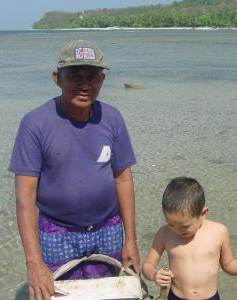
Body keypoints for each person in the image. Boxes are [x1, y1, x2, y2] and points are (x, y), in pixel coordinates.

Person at [9, 39, 139, 300]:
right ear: (57, 78)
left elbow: (123, 180)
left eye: (92, 77)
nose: (84, 84)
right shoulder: (35, 123)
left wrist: (131, 240)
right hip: (57, 233)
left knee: (107, 294)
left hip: (108, 228)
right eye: (75, 76)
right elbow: (25, 197)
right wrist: (33, 262)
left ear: (102, 80)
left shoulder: (112, 118)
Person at [142, 177, 237, 300]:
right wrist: (154, 274)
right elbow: (148, 265)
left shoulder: (219, 232)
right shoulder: (165, 233)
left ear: (203, 214)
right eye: (171, 224)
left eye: (185, 226)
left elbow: (228, 264)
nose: (177, 230)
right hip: (176, 297)